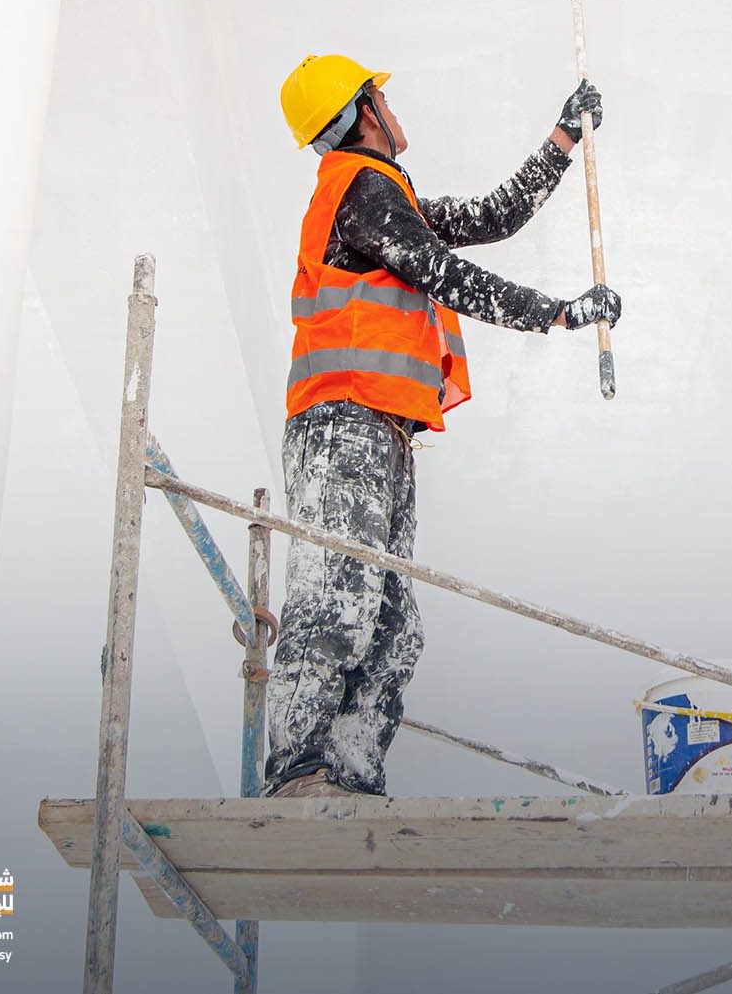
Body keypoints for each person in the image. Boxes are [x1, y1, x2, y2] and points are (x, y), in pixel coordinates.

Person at [266, 52, 621, 798]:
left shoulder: (387, 197)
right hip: (342, 422)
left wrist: (562, 138)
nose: (395, 110)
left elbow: (493, 217)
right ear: (364, 111)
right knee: (339, 600)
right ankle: (298, 770)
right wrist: (556, 313)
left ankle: (350, 776)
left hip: (383, 429)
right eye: (383, 99)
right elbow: (445, 274)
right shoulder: (359, 192)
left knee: (395, 626)